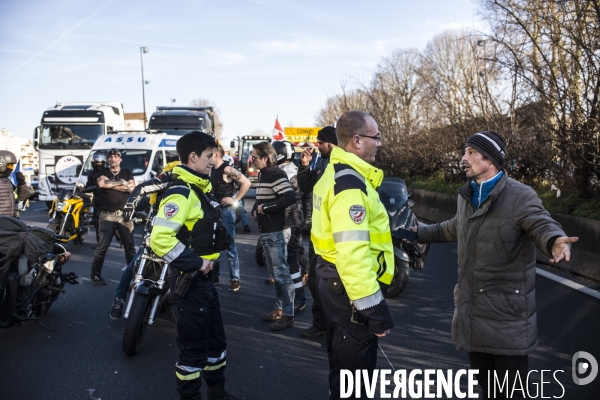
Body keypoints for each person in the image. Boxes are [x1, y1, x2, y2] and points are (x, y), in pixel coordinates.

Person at [414, 130, 579, 398]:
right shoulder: (468, 194)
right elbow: (456, 227)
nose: (463, 158)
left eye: (471, 152)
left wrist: (555, 240)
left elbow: (540, 223)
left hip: (507, 320)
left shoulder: (520, 196)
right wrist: (419, 233)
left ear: (490, 159)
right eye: (464, 151)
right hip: (473, 314)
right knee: (487, 390)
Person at [311, 111, 394, 400]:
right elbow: (353, 254)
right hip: (349, 291)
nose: (380, 143)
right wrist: (375, 310)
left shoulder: (333, 174)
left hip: (333, 282)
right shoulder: (351, 185)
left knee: (343, 369)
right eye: (376, 137)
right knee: (356, 381)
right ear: (357, 141)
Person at [150, 132, 239, 400]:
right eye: (209, 155)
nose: (214, 161)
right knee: (193, 352)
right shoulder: (182, 192)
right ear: (193, 157)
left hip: (205, 283)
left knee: (216, 344)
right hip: (189, 283)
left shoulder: (200, 188)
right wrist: (197, 262)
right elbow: (160, 239)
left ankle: (217, 393)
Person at [109, 161, 180, 320]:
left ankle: (182, 304)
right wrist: (130, 208)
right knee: (134, 263)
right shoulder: (161, 186)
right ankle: (119, 298)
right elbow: (141, 192)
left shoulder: (191, 188)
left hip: (178, 238)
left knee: (189, 271)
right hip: (155, 235)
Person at [296, 126, 338, 338]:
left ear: (331, 142)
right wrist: (303, 167)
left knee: (333, 285)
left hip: (337, 234)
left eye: (321, 143)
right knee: (314, 281)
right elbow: (305, 187)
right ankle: (320, 323)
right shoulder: (320, 161)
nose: (317, 146)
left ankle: (336, 326)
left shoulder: (343, 163)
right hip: (317, 233)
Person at [251, 142, 297, 331]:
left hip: (277, 231)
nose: (252, 160)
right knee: (276, 274)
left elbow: (289, 197)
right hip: (267, 231)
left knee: (282, 274)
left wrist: (265, 208)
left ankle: (288, 315)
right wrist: (256, 207)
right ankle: (279, 309)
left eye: (254, 157)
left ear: (266, 158)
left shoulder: (276, 174)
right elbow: (262, 197)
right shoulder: (264, 174)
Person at [90, 149, 136, 286]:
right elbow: (101, 184)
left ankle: (133, 276)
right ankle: (95, 275)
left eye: (116, 156)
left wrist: (111, 184)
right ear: (108, 160)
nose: (113, 159)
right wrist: (122, 183)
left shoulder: (127, 172)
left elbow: (132, 188)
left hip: (125, 215)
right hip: (107, 215)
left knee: (130, 247)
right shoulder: (102, 172)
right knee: (102, 247)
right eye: (111, 157)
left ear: (120, 159)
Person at [272, 140, 307, 313]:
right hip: (288, 220)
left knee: (291, 261)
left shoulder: (290, 171)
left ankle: (299, 298)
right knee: (289, 260)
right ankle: (293, 297)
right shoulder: (286, 169)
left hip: (291, 221)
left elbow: (296, 195)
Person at [210, 146, 251, 291]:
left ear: (215, 154)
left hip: (226, 212)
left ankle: (235, 279)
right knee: (212, 244)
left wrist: (234, 199)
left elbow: (246, 183)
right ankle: (214, 275)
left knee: (230, 244)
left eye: (209, 153)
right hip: (214, 211)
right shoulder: (211, 169)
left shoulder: (226, 169)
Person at [84, 152, 107, 243]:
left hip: (108, 200)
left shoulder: (107, 172)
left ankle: (120, 240)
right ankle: (100, 243)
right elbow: (88, 186)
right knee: (97, 222)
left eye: (100, 162)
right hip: (97, 200)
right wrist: (83, 189)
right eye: (96, 162)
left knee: (113, 223)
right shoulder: (91, 174)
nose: (98, 164)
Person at [0, 151, 27, 217]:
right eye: (10, 166)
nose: (11, 169)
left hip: (9, 220)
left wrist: (22, 184)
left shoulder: (7, 182)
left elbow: (21, 198)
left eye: (12, 166)